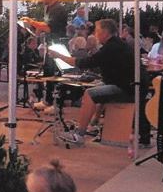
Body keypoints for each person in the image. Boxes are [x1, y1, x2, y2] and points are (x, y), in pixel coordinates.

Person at [49, 18, 138, 146]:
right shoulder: (117, 44)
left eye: (97, 31)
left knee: (89, 94)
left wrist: (59, 56)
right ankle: (93, 124)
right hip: (127, 85)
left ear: (105, 33)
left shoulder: (110, 47)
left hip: (126, 89)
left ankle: (79, 135)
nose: (94, 35)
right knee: (100, 87)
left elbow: (85, 63)